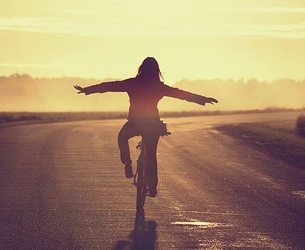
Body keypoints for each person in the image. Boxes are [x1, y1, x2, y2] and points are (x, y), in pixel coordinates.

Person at [74, 57, 218, 197]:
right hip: (152, 124)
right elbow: (181, 94)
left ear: (141, 69)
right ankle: (153, 187)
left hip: (135, 123)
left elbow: (109, 86)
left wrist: (87, 90)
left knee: (122, 137)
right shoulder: (159, 87)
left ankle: (128, 162)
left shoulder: (132, 83)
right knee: (151, 155)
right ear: (157, 71)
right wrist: (203, 99)